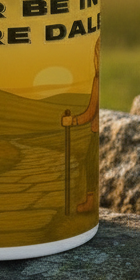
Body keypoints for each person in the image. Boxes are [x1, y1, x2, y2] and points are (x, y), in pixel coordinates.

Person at [60, 38, 100, 213]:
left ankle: (90, 202)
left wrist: (72, 121)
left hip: (95, 129)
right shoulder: (96, 79)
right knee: (89, 163)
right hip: (95, 129)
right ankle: (90, 201)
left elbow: (91, 112)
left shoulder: (97, 80)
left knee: (90, 164)